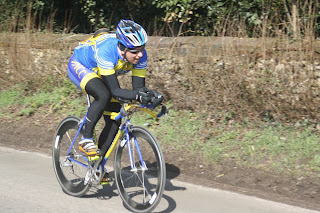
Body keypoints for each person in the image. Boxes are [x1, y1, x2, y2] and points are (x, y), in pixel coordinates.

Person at [67, 20, 164, 159]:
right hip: (81, 65)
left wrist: (150, 97)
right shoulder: (107, 51)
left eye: (142, 49)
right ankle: (86, 138)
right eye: (135, 51)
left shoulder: (140, 56)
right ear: (123, 48)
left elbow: (138, 89)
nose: (140, 55)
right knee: (103, 94)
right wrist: (137, 96)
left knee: (114, 120)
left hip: (102, 72)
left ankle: (96, 167)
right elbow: (115, 91)